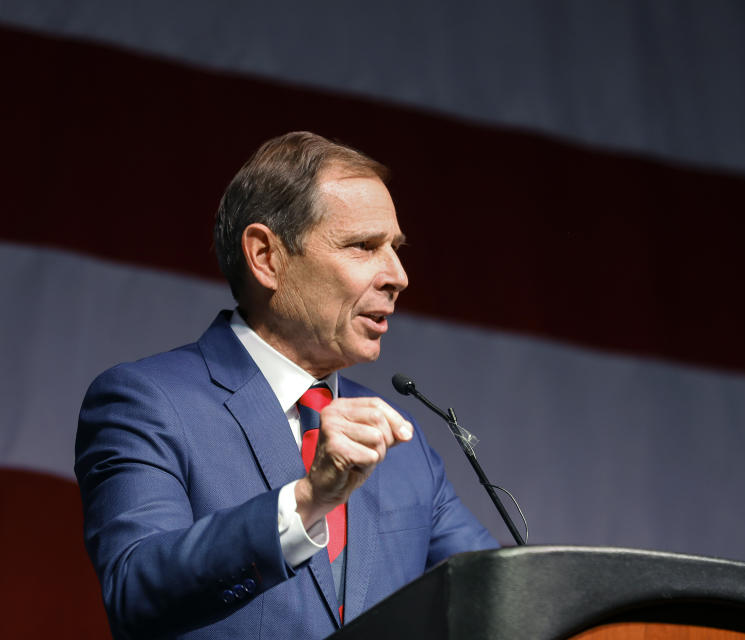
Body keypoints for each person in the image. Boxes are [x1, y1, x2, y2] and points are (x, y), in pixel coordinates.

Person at [75, 132, 498, 639]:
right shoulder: (146, 403)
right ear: (265, 257)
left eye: (395, 249)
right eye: (364, 246)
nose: (398, 275)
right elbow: (136, 588)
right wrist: (307, 500)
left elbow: (500, 596)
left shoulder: (398, 441)